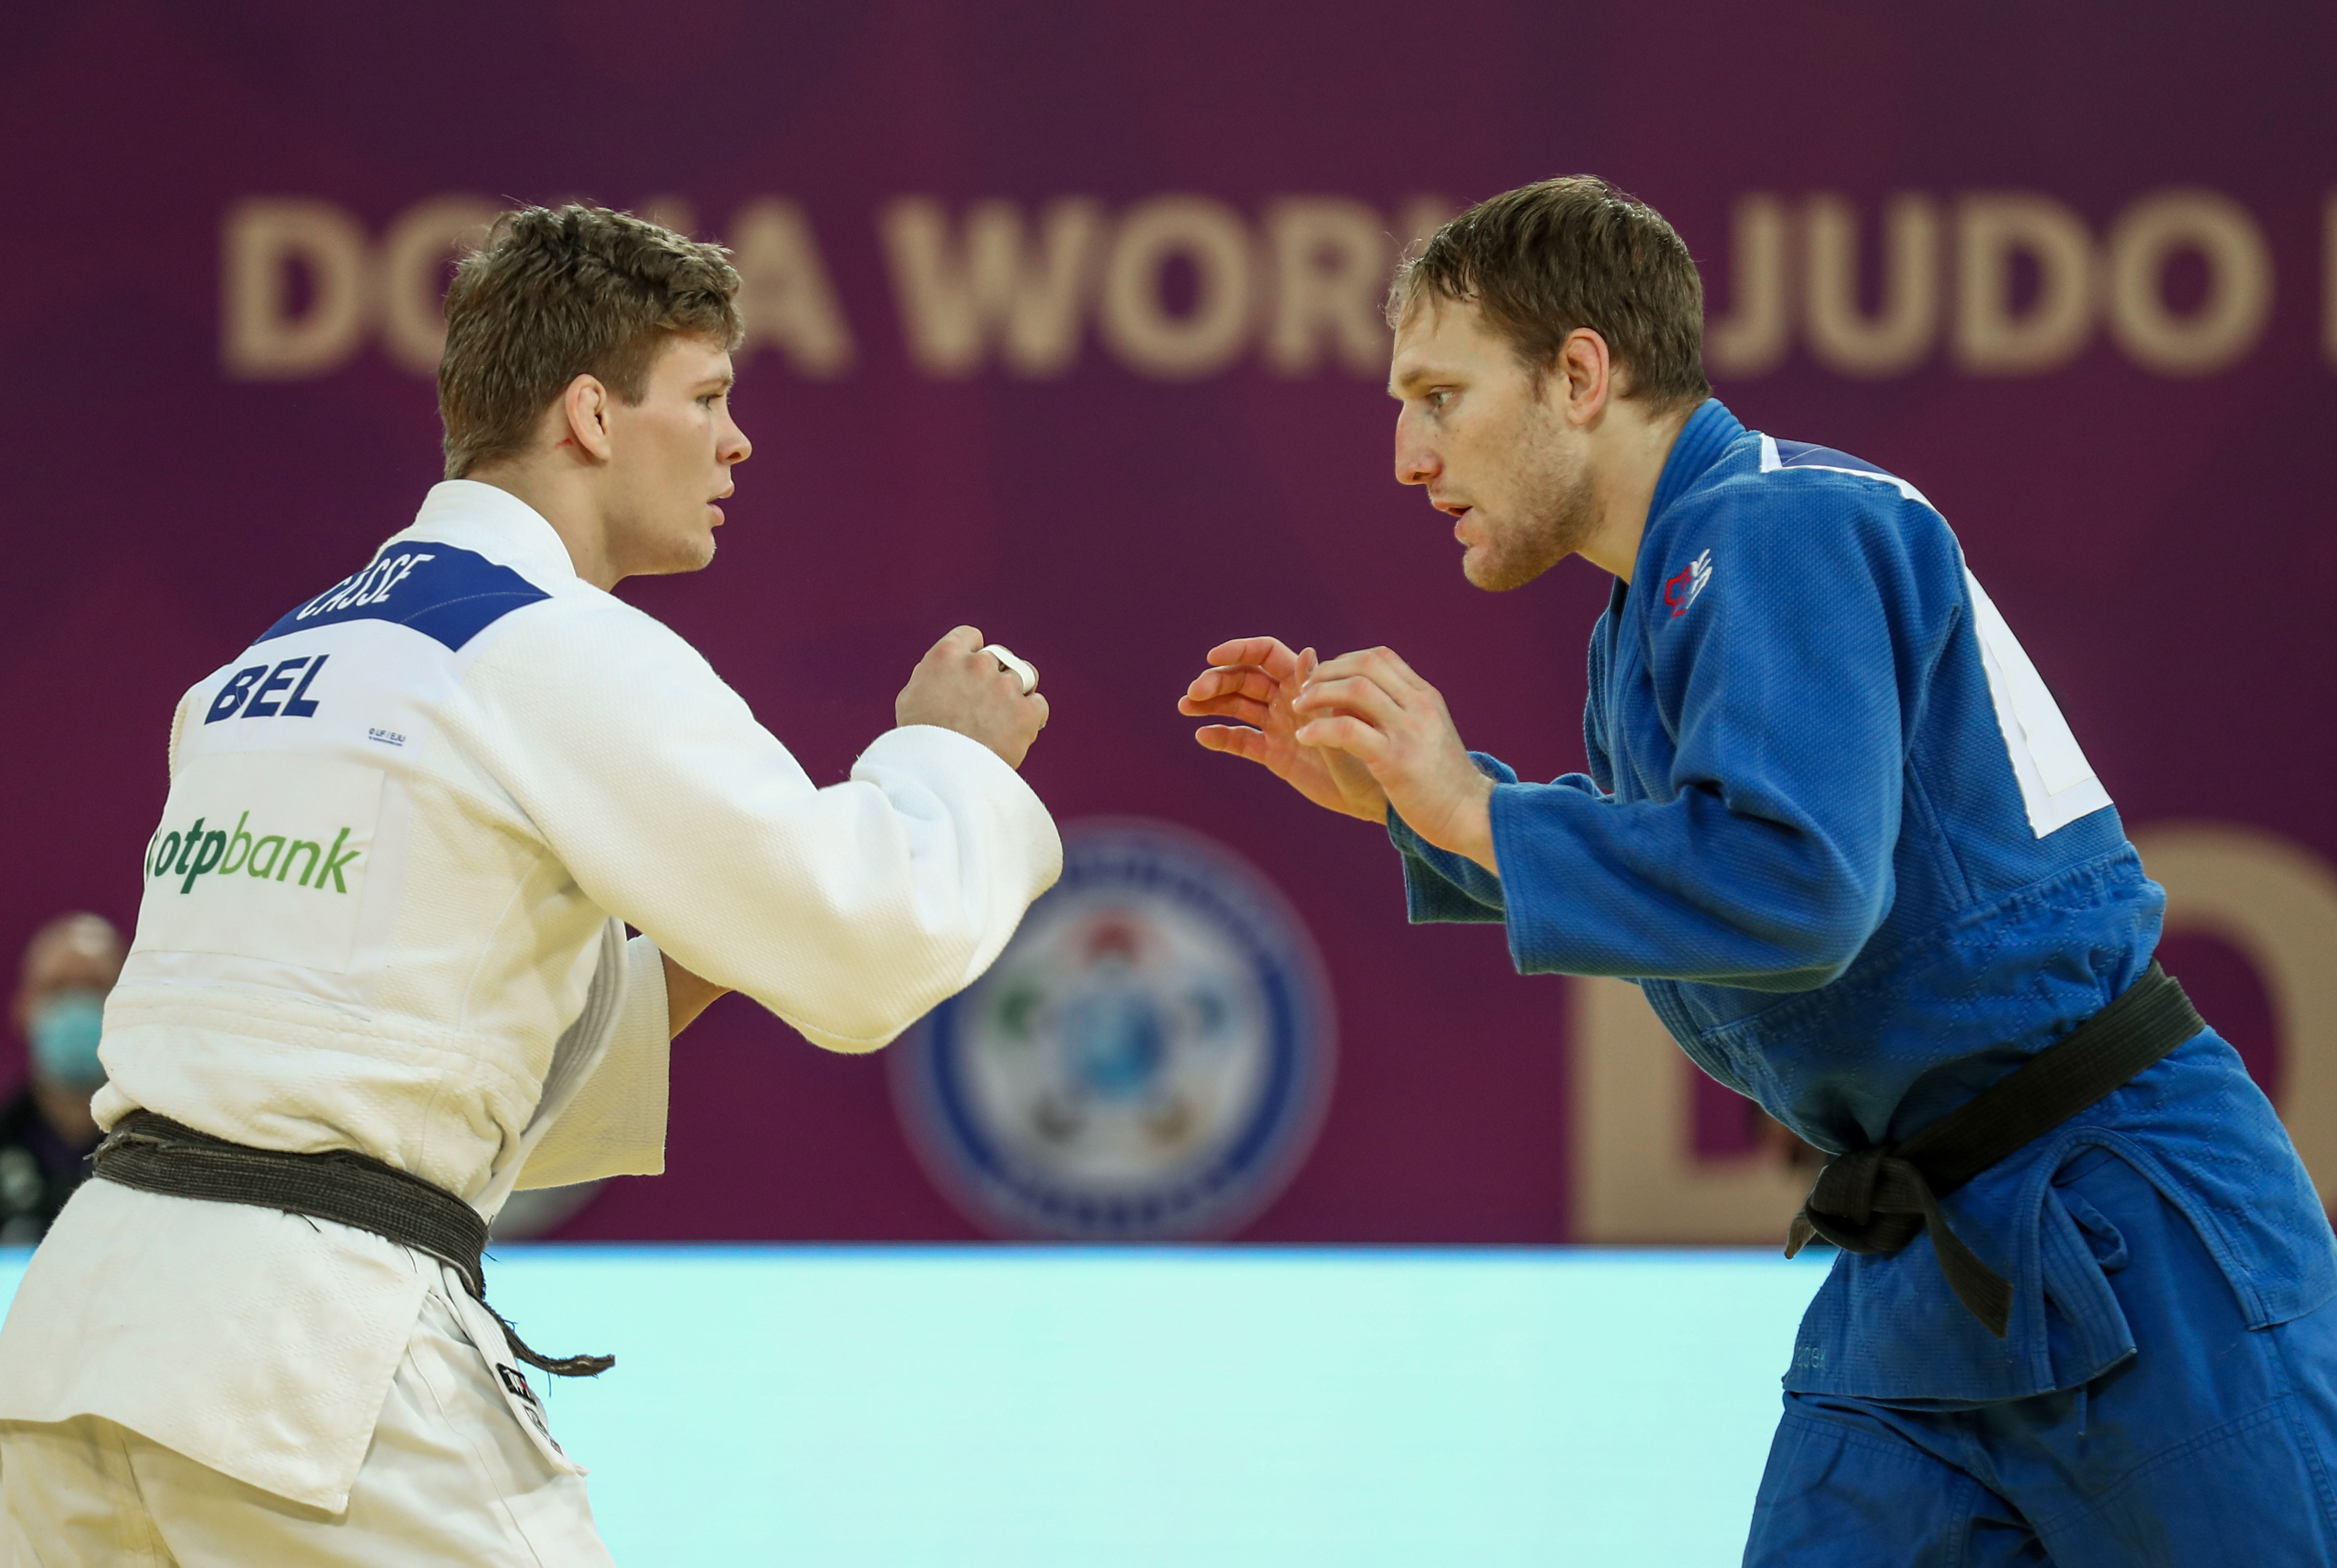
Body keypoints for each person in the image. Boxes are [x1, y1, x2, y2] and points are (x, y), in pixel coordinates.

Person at [1179, 176, 2337, 1563]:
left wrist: (1475, 808)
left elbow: (1794, 888)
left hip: (2125, 1218)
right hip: (1926, 1250)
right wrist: (1419, 809)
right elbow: (1695, 877)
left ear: (1579, 375)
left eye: (1438, 396)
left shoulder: (1778, 525)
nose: (1404, 458)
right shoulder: (1653, 607)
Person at [0, 205, 1060, 1565]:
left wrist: (727, 907)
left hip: (79, 1343)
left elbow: (422, 1063)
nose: (737, 440)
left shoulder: (260, 672)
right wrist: (945, 761)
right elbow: (867, 948)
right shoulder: (556, 647)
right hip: (305, 1366)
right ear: (592, 416)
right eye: (707, 396)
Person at [0, 914, 124, 1243]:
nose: (75, 1006)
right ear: (23, 1007)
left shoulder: (166, 1150)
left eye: (96, 987)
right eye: (56, 988)